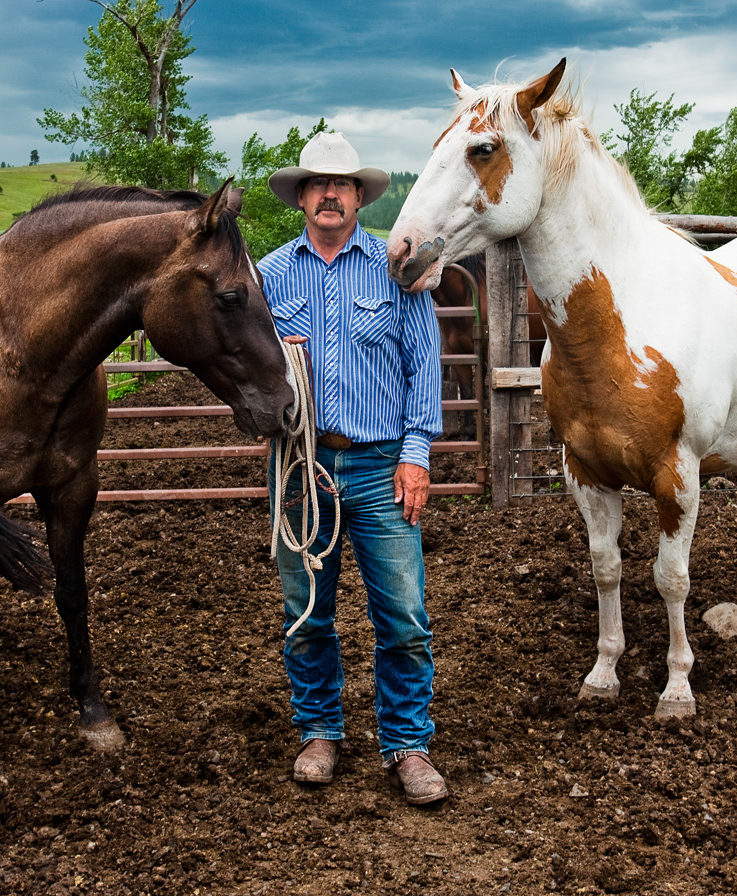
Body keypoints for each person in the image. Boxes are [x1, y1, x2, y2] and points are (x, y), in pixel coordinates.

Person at [259, 132, 447, 805]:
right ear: (301, 196)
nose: (330, 193)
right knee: (306, 612)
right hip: (301, 466)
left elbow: (425, 362)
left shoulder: (396, 272)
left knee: (403, 615)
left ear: (361, 196)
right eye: (317, 183)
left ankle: (408, 745)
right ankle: (318, 731)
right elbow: (245, 371)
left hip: (376, 465)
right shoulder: (268, 276)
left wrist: (416, 454)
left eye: (342, 184)